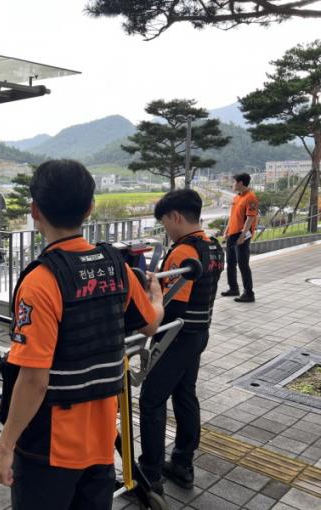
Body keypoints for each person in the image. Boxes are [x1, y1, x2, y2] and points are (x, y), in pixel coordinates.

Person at [0, 160, 164, 510]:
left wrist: (4, 447)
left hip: (48, 450)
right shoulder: (116, 266)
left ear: (35, 210)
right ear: (90, 208)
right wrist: (157, 298)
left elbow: (34, 380)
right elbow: (149, 324)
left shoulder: (40, 282)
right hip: (101, 439)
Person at [138, 189, 224, 497]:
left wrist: (149, 297)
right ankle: (183, 464)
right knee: (185, 393)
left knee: (151, 400)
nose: (166, 229)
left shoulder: (182, 253)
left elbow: (172, 306)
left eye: (164, 222)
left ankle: (149, 474)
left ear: (175, 216)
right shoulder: (213, 246)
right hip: (199, 333)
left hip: (176, 337)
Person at [222, 173, 258, 302]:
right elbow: (232, 216)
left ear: (241, 183)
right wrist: (226, 230)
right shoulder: (237, 197)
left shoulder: (251, 197)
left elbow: (250, 218)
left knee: (243, 264)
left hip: (241, 234)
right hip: (232, 234)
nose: (232, 184)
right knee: (230, 262)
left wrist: (243, 235)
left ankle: (249, 293)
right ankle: (233, 288)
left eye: (234, 182)